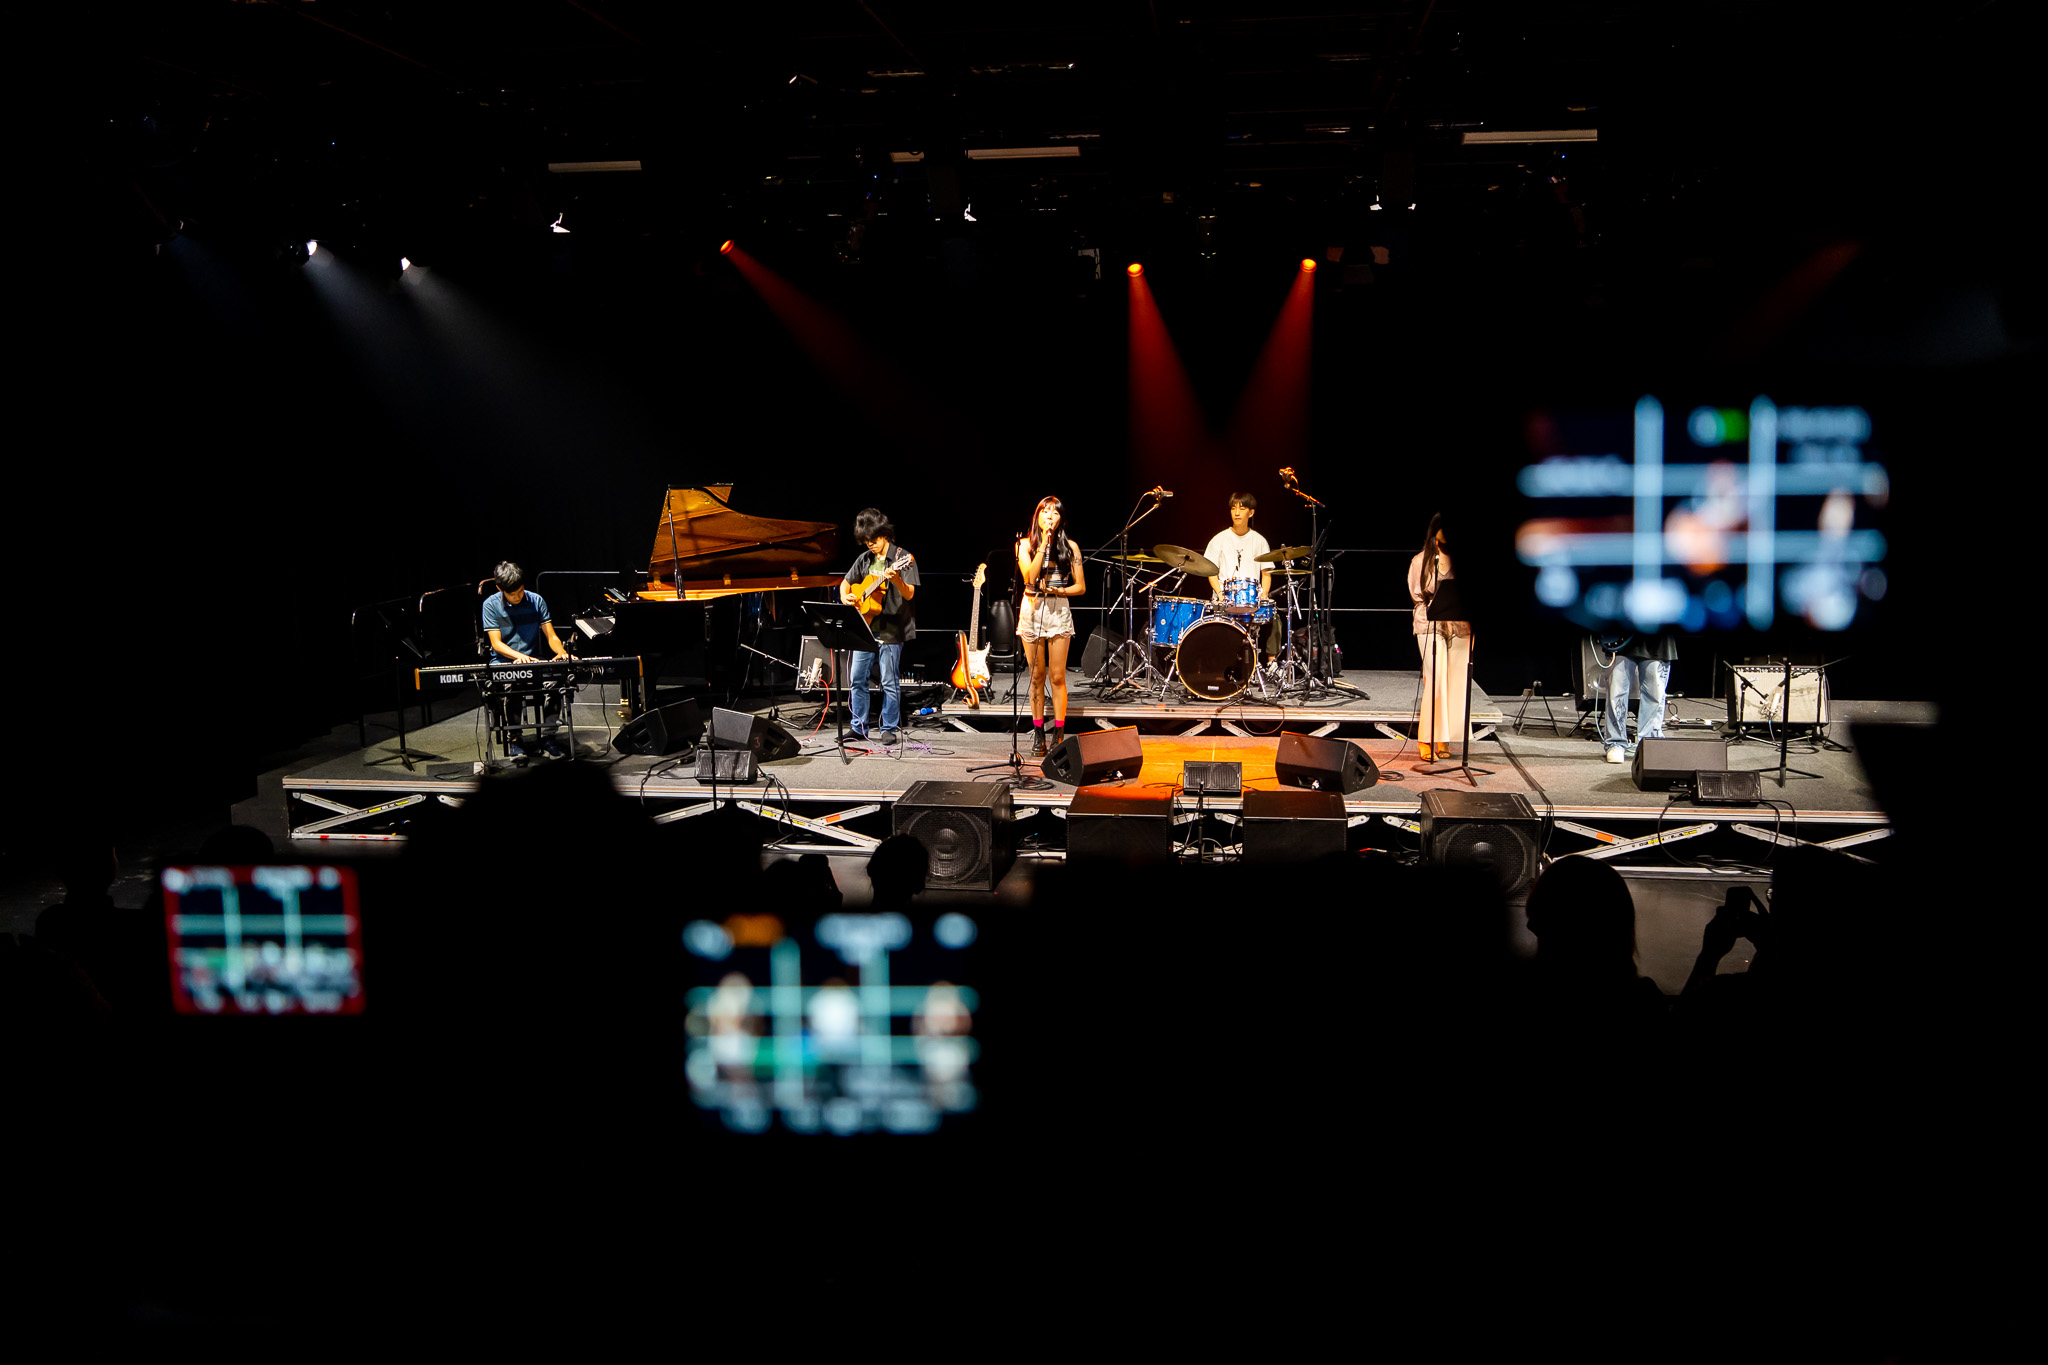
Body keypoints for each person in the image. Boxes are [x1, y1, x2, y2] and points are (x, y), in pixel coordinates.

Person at [838, 507, 918, 743]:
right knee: (856, 678)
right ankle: (859, 727)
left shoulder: (903, 557)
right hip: (864, 627)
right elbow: (845, 582)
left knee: (888, 680)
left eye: (873, 540)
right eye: (866, 542)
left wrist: (896, 579)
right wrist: (845, 596)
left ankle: (889, 728)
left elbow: (910, 593)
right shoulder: (864, 559)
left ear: (885, 534)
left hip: (891, 628)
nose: (870, 545)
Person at [1017, 495, 1086, 756]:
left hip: (1058, 610)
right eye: (1045, 511)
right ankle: (1037, 733)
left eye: (1055, 513)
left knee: (1057, 676)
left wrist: (1058, 592)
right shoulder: (1023, 545)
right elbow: (1029, 577)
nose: (1049, 516)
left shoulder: (1072, 547)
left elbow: (1080, 587)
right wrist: (1044, 546)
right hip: (1033, 610)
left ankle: (1059, 732)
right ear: (1037, 516)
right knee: (1036, 677)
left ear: (1060, 519)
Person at [481, 560, 571, 760]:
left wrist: (561, 652)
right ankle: (515, 739)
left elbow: (552, 637)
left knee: (557, 681)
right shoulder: (490, 605)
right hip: (504, 663)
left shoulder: (536, 600)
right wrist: (521, 657)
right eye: (512, 594)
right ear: (500, 588)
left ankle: (548, 738)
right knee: (513, 685)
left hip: (535, 661)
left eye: (520, 591)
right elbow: (496, 644)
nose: (517, 596)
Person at [1407, 513, 1471, 761]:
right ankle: (1426, 738)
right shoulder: (1421, 561)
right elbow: (1416, 594)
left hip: (1460, 624)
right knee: (1435, 681)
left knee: (1456, 684)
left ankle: (1444, 737)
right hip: (1430, 624)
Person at [1203, 491, 1279, 662]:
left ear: (1251, 512)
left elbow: (1266, 573)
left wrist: (1264, 594)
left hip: (1250, 601)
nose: (1236, 513)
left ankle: (1271, 663)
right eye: (1233, 508)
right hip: (1224, 600)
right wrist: (1221, 594)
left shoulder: (1260, 541)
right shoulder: (1219, 539)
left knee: (1275, 615)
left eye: (1242, 508)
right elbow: (1210, 572)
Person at [1589, 631, 1677, 763]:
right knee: (1616, 693)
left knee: (1654, 695)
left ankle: (1649, 744)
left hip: (1656, 637)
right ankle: (1615, 743)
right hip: (1622, 635)